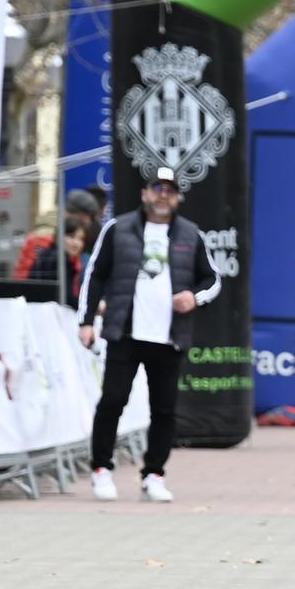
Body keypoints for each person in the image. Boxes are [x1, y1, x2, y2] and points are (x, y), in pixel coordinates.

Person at [78, 166, 222, 504]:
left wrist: (194, 298)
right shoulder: (118, 229)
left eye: (170, 190)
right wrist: (86, 320)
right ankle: (101, 469)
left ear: (178, 198)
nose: (162, 194)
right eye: (157, 188)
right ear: (144, 193)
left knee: (165, 409)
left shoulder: (191, 235)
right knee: (113, 400)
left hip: (169, 336)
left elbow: (213, 279)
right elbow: (95, 275)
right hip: (125, 332)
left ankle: (154, 474)